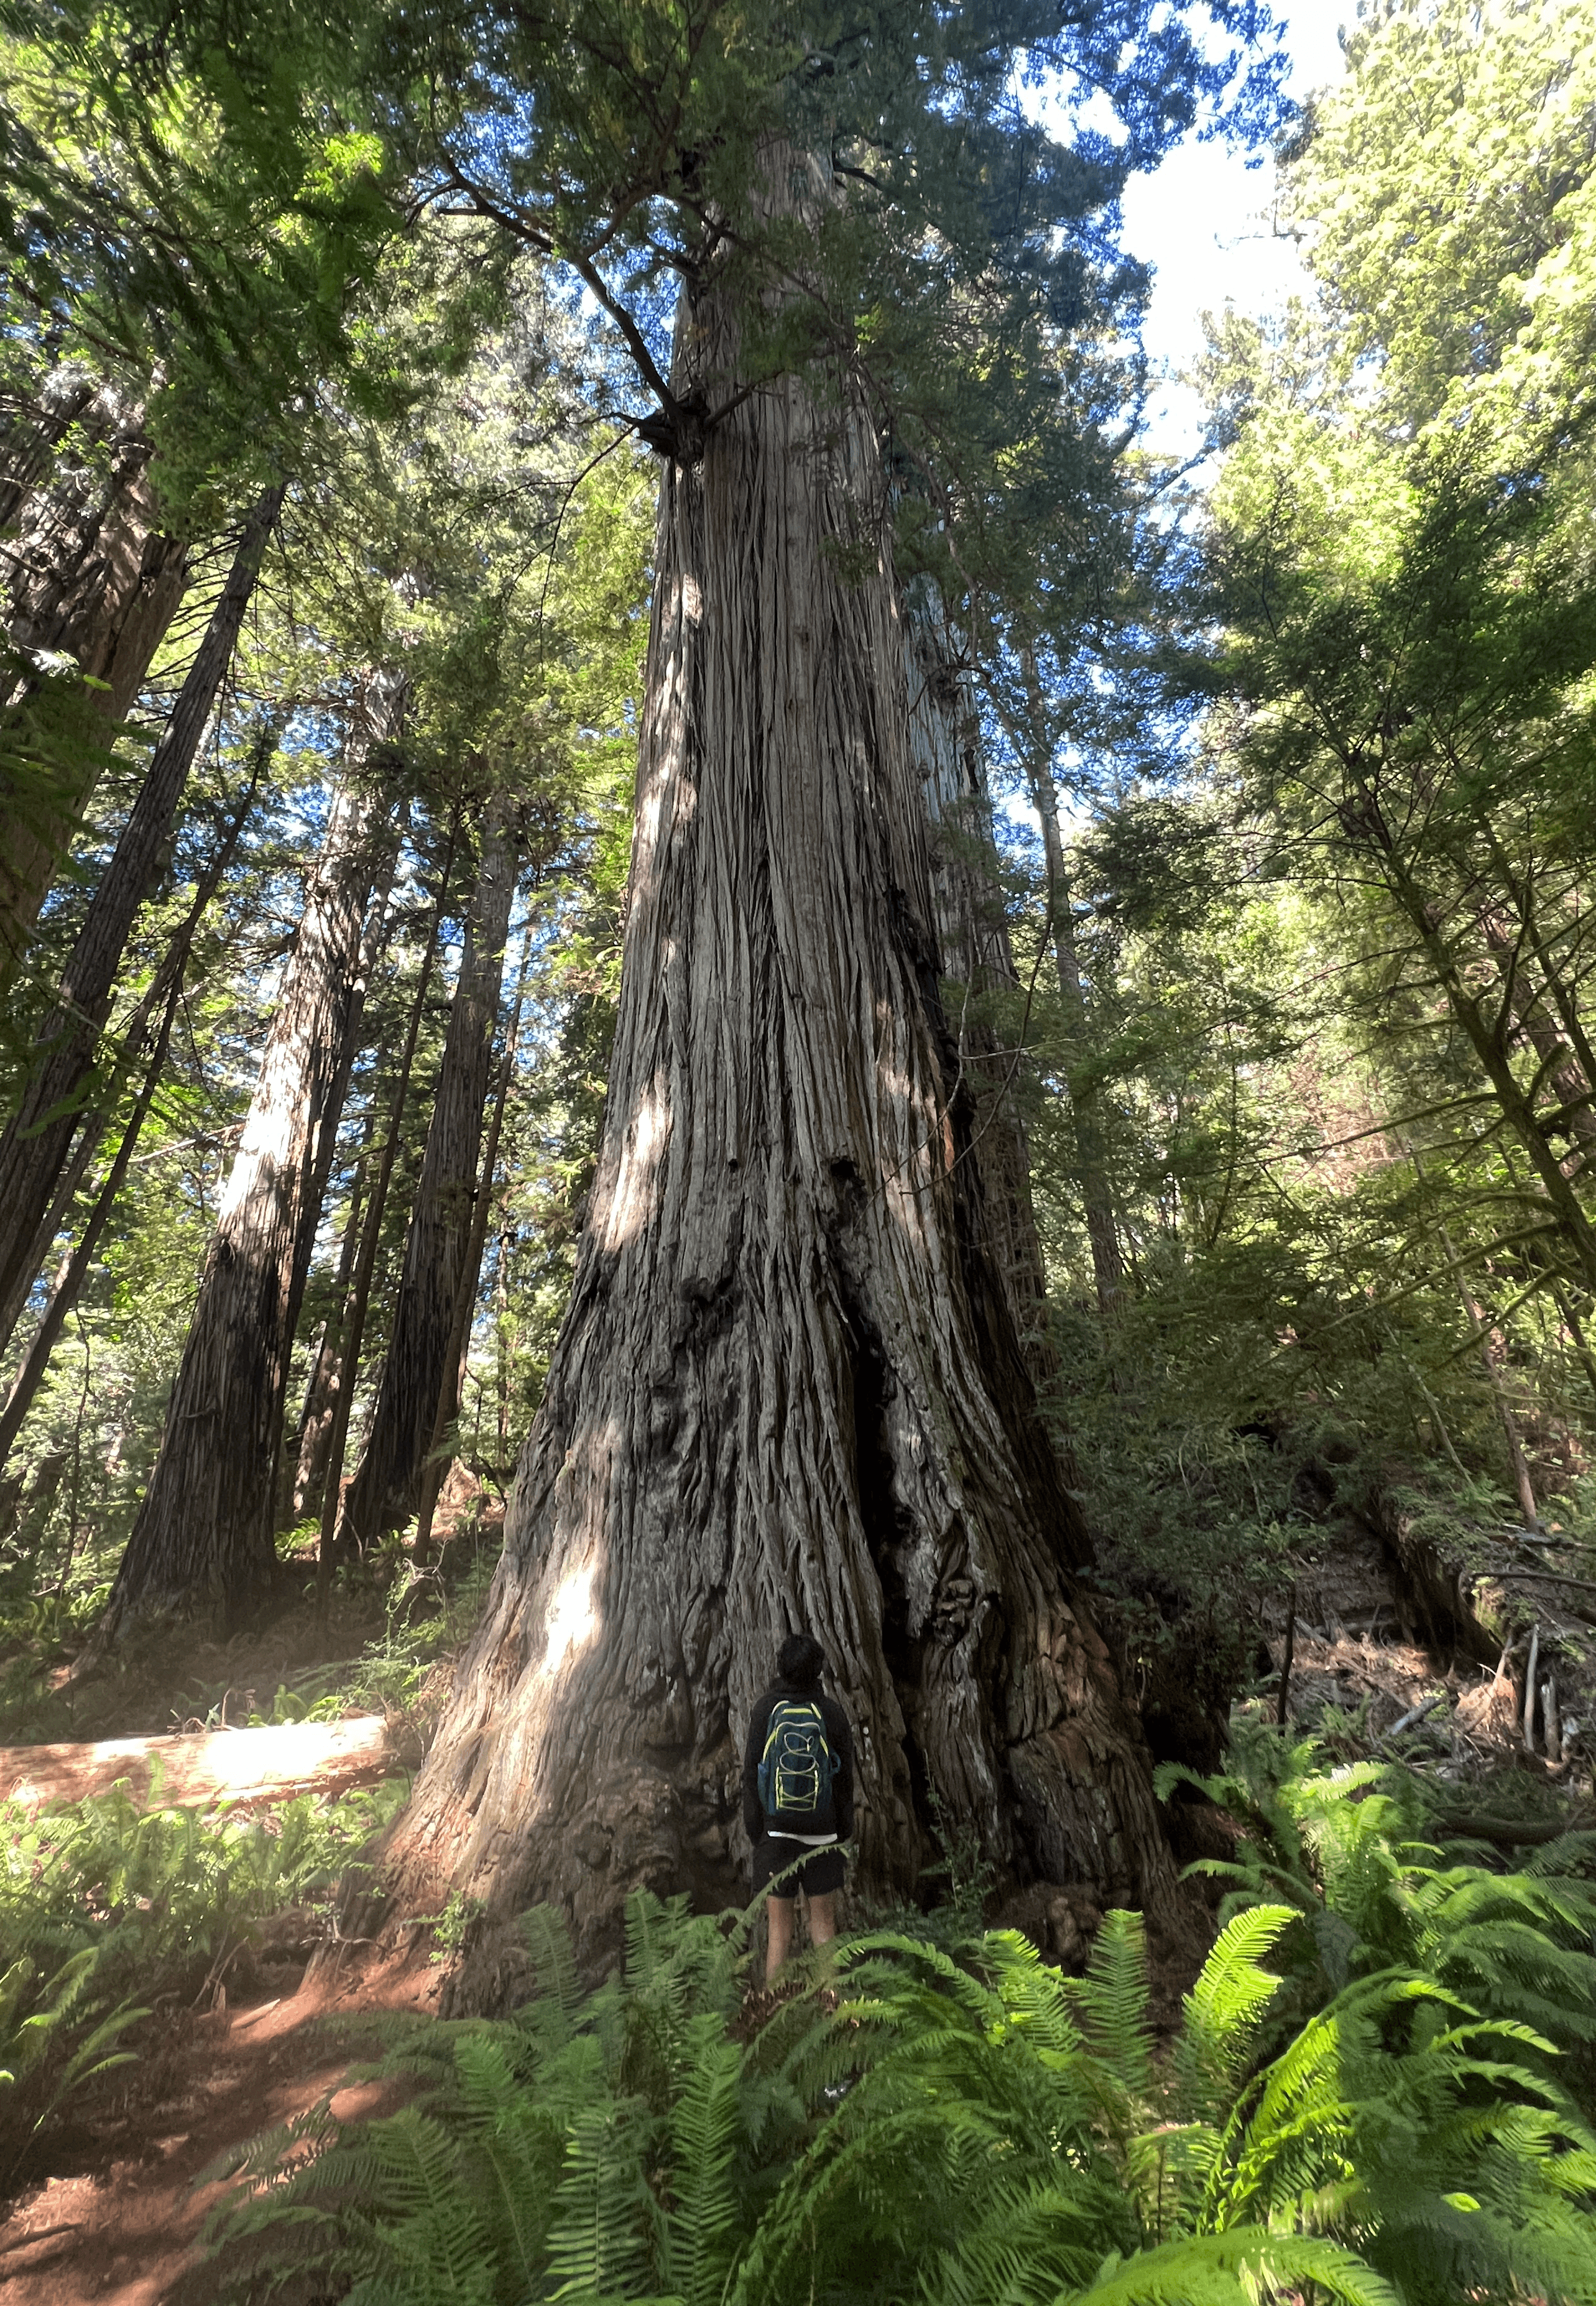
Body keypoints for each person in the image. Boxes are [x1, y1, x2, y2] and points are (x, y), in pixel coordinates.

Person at [742, 1630, 856, 1983]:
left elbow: (750, 1774)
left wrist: (757, 1831)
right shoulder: (832, 1714)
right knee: (823, 1927)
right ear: (818, 1670)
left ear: (781, 1667)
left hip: (776, 1835)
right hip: (823, 1835)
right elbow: (845, 1779)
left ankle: (775, 2021)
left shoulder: (765, 1710)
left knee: (780, 1933)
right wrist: (842, 1831)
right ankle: (832, 2015)